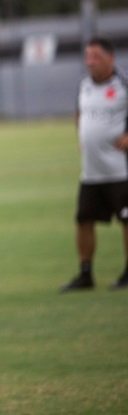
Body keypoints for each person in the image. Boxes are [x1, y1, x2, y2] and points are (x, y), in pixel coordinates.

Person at [59, 37, 128, 292]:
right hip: (91, 172)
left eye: (96, 56)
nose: (90, 62)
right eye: (87, 56)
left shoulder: (123, 84)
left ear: (111, 58)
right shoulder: (85, 85)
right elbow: (79, 113)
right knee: (83, 220)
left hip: (120, 170)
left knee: (126, 220)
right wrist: (82, 136)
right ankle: (85, 273)